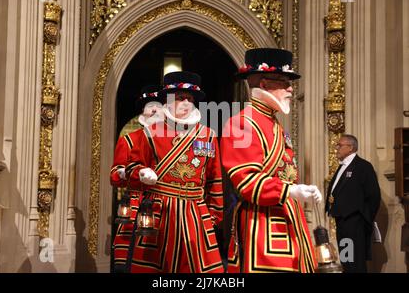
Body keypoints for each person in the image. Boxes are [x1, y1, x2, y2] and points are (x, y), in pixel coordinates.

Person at [220, 48, 322, 273]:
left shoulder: (274, 123)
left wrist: (300, 189)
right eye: (284, 82)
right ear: (264, 85)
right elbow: (247, 182)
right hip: (263, 226)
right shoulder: (242, 124)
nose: (290, 89)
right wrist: (290, 192)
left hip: (289, 220)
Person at [124, 71, 225, 273]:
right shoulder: (150, 132)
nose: (186, 103)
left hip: (195, 213)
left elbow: (215, 179)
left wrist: (214, 216)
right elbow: (131, 168)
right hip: (160, 211)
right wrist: (142, 173)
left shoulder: (208, 135)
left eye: (190, 98)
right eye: (180, 98)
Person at [110, 84, 163, 272]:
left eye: (159, 105)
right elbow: (114, 176)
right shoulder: (129, 140)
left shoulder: (174, 141)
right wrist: (126, 172)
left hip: (164, 206)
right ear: (143, 112)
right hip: (137, 205)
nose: (155, 109)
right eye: (151, 106)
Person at [325, 134, 381, 273]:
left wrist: (363, 219)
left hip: (355, 223)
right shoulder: (343, 166)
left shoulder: (363, 167)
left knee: (355, 262)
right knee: (347, 259)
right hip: (343, 222)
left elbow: (374, 196)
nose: (336, 148)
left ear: (350, 148)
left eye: (340, 145)